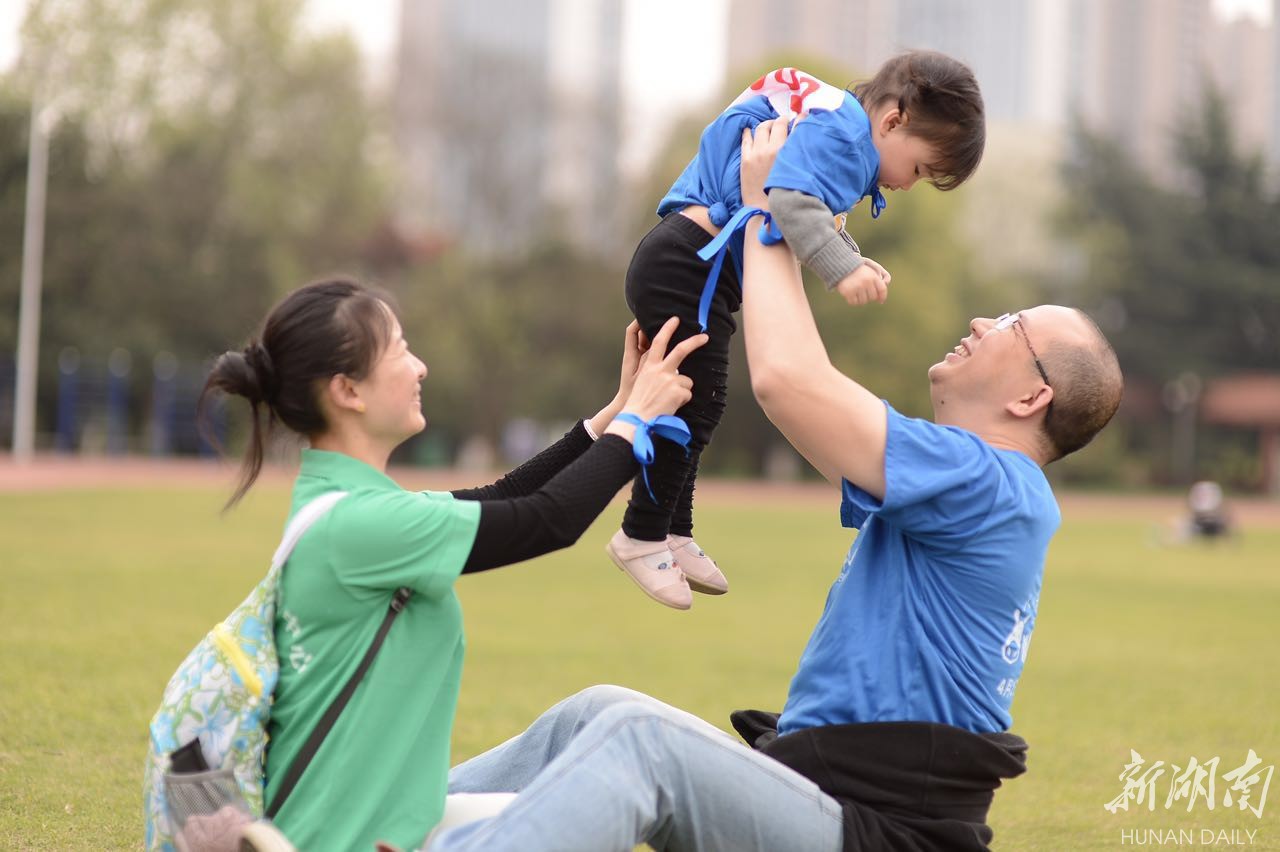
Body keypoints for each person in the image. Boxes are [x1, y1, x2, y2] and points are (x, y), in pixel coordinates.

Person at [423, 120, 1123, 852]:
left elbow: (790, 383)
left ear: (1031, 399)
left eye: (1013, 324)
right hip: (827, 797)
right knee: (592, 714)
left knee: (640, 743)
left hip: (880, 834)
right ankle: (361, 822)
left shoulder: (989, 482)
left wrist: (771, 212)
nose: (985, 320)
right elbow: (803, 401)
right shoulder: (963, 480)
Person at [196, 277, 707, 851]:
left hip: (386, 816)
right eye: (399, 350)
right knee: (622, 778)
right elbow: (548, 520)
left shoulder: (354, 506)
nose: (420, 367)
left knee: (594, 716)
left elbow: (506, 495)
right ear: (347, 391)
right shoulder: (359, 527)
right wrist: (635, 421)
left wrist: (613, 413)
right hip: (354, 841)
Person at [609, 51, 986, 610]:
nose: (910, 185)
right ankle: (641, 533)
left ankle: (672, 529)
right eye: (920, 170)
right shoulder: (844, 134)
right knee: (695, 401)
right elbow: (785, 200)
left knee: (700, 401)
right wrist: (843, 267)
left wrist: (850, 251)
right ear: (893, 121)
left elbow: (801, 205)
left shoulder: (840, 125)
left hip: (695, 265)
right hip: (690, 263)